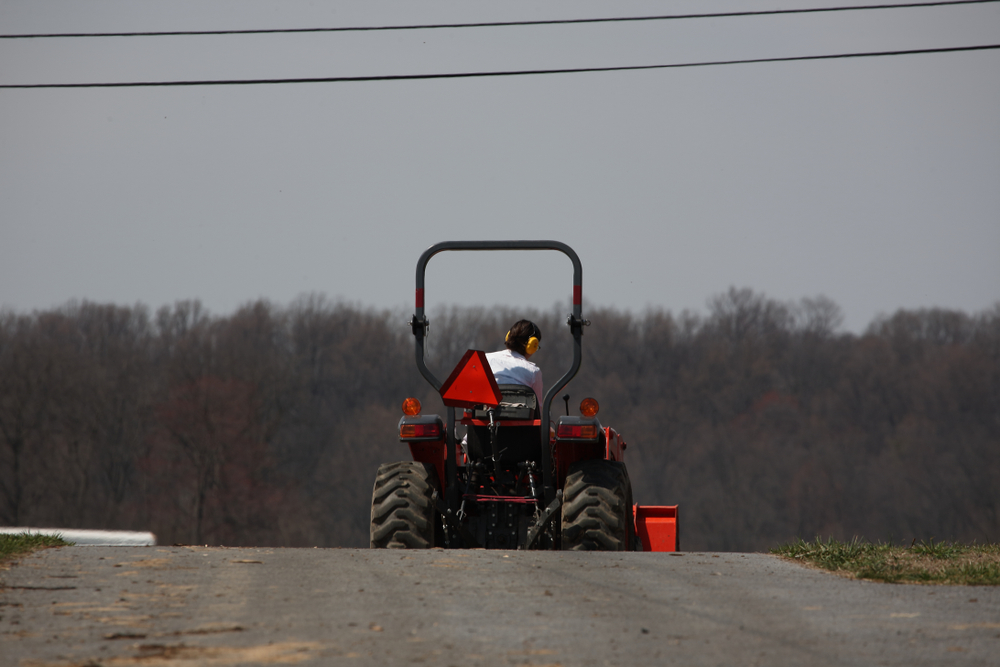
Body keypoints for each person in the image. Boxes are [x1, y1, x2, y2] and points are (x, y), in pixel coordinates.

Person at [486, 319, 543, 404]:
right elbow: (537, 408)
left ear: (508, 336)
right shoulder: (533, 372)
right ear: (532, 346)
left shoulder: (485, 359)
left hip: (485, 415)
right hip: (519, 417)